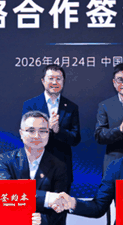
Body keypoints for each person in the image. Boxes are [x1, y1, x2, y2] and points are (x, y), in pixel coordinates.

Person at [0, 111, 69, 225]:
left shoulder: (59, 166)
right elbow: (6, 194)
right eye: (31, 130)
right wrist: (47, 198)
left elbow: (60, 207)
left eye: (43, 131)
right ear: (21, 133)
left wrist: (41, 221)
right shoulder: (5, 160)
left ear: (48, 134)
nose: (37, 136)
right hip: (9, 224)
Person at [22, 64, 81, 192]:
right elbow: (26, 135)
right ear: (43, 81)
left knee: (60, 203)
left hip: (62, 168)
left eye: (58, 79)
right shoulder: (31, 105)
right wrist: (45, 128)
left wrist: (58, 130)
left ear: (63, 82)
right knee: (36, 203)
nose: (55, 82)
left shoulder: (71, 107)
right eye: (51, 78)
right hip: (36, 167)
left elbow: (75, 139)